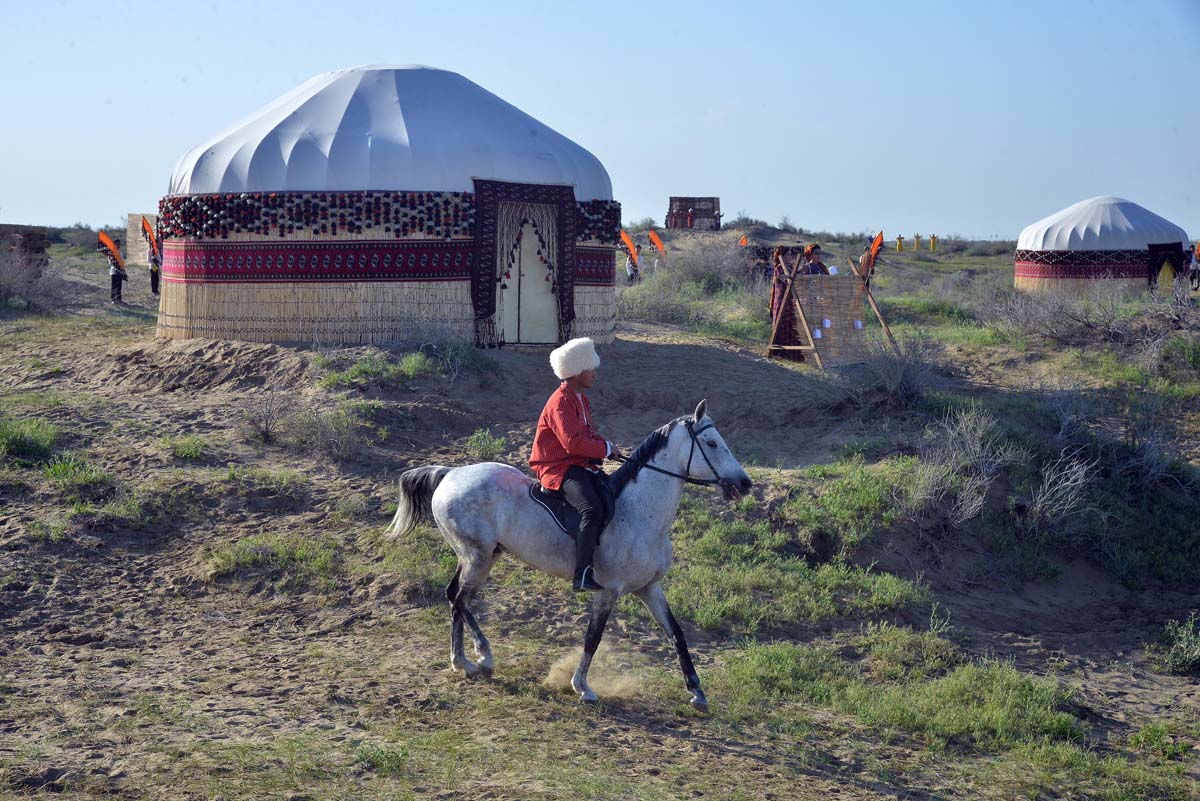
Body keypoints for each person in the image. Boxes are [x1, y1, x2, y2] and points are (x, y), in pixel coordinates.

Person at [529, 338, 622, 592]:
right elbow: (572, 443)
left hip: (576, 464)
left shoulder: (580, 399)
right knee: (591, 508)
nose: (595, 374)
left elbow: (588, 435)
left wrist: (608, 446)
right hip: (556, 467)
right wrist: (603, 449)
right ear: (577, 371)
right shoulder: (560, 402)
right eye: (590, 369)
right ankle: (582, 573)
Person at [104, 237, 128, 303]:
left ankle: (119, 299)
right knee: (114, 286)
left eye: (119, 244)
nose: (118, 245)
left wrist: (124, 272)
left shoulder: (120, 252)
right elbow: (110, 262)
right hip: (114, 271)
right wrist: (116, 265)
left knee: (119, 286)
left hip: (120, 271)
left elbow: (122, 262)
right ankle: (113, 299)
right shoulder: (111, 252)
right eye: (117, 244)